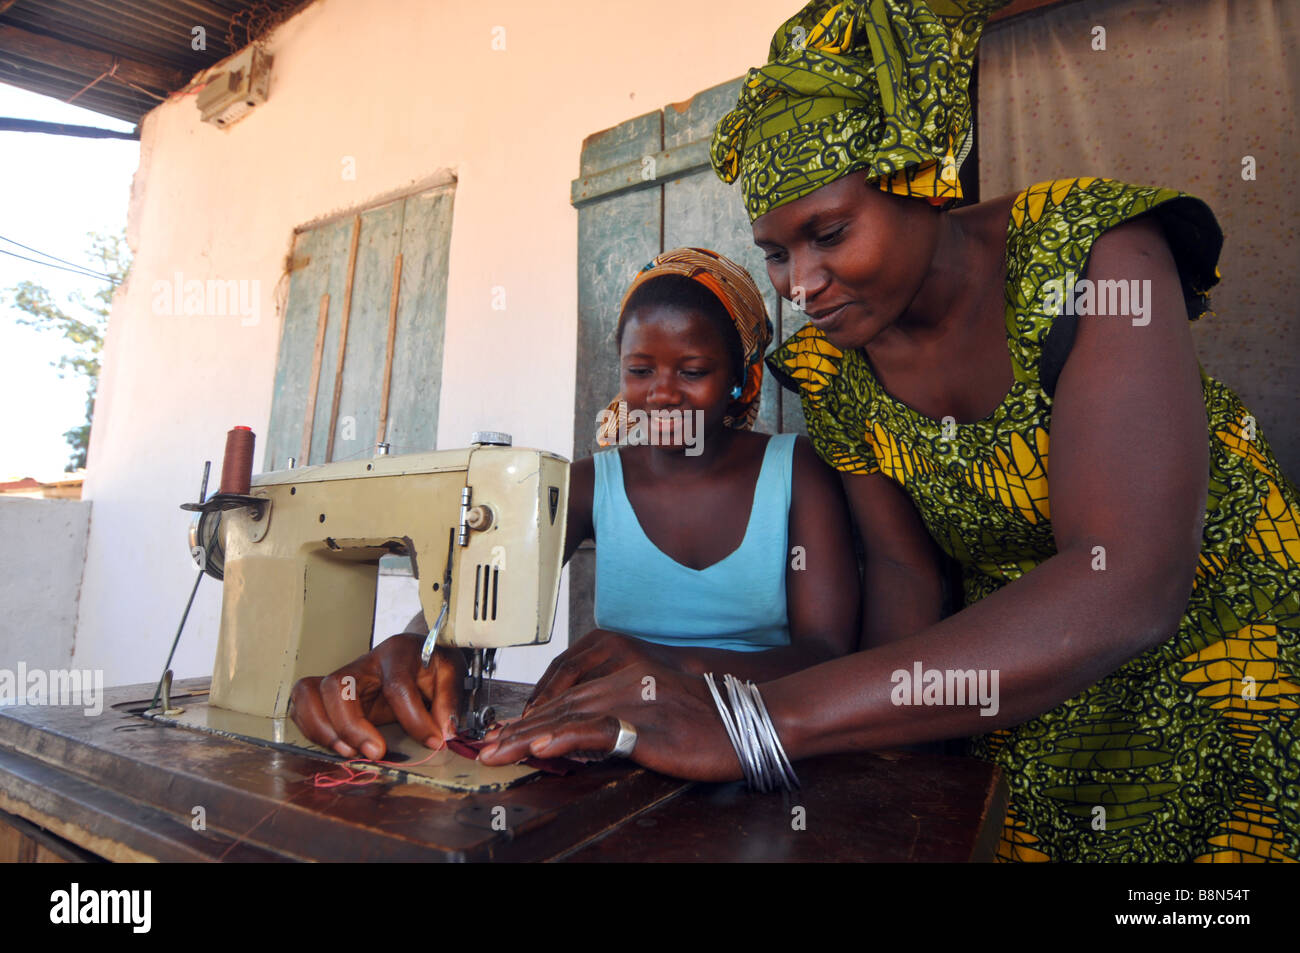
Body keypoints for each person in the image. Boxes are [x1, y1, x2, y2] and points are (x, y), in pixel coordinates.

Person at [481, 0, 1300, 863]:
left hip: (1223, 679)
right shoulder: (839, 370)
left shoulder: (1091, 255)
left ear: (924, 177)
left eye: (829, 234)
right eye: (776, 252)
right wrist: (882, 775)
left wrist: (760, 721)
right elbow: (909, 578)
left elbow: (1129, 580)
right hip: (1005, 695)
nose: (802, 282)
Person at [289, 247, 860, 762]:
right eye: (640, 371)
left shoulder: (799, 471)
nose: (660, 393)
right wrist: (425, 645)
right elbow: (487, 589)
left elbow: (829, 655)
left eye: (692, 371)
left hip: (762, 744)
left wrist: (663, 665)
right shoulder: (588, 486)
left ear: (740, 375)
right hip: (622, 748)